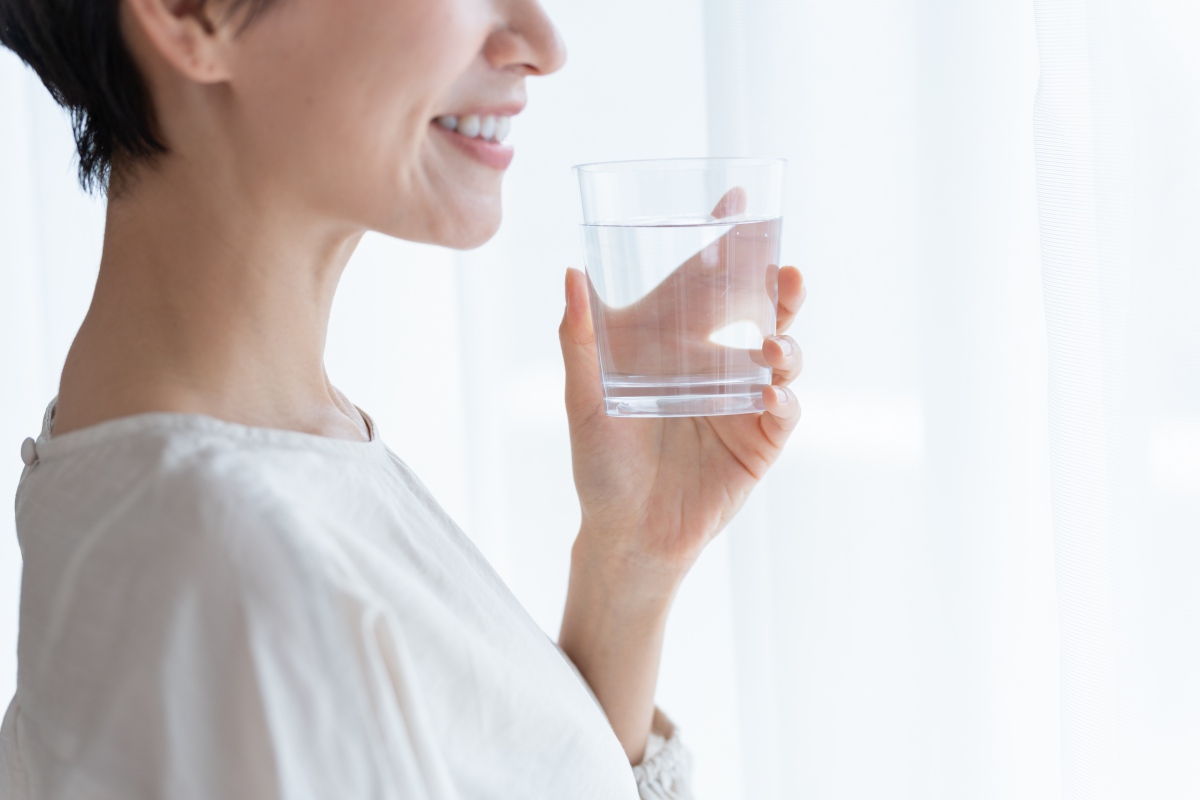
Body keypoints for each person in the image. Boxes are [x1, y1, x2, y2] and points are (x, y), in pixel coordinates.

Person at [0, 0, 805, 797]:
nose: (542, 45)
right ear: (190, 14)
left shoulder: (256, 460)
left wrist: (630, 567)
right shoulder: (230, 568)